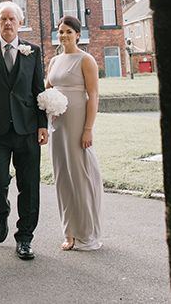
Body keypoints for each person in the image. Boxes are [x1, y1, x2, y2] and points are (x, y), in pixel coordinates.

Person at [0, 0, 48, 260]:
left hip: (27, 130)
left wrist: (42, 124)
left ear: (20, 23)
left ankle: (25, 238)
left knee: (30, 186)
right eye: (3, 19)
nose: (7, 23)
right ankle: (1, 212)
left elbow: (39, 91)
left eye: (12, 19)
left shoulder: (32, 52)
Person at [46, 15, 103, 250]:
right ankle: (69, 232)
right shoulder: (53, 61)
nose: (64, 36)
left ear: (78, 34)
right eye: (61, 32)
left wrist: (88, 129)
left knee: (80, 175)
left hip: (78, 124)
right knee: (62, 176)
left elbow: (94, 96)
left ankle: (86, 233)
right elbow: (47, 87)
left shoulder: (86, 60)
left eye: (69, 31)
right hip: (57, 125)